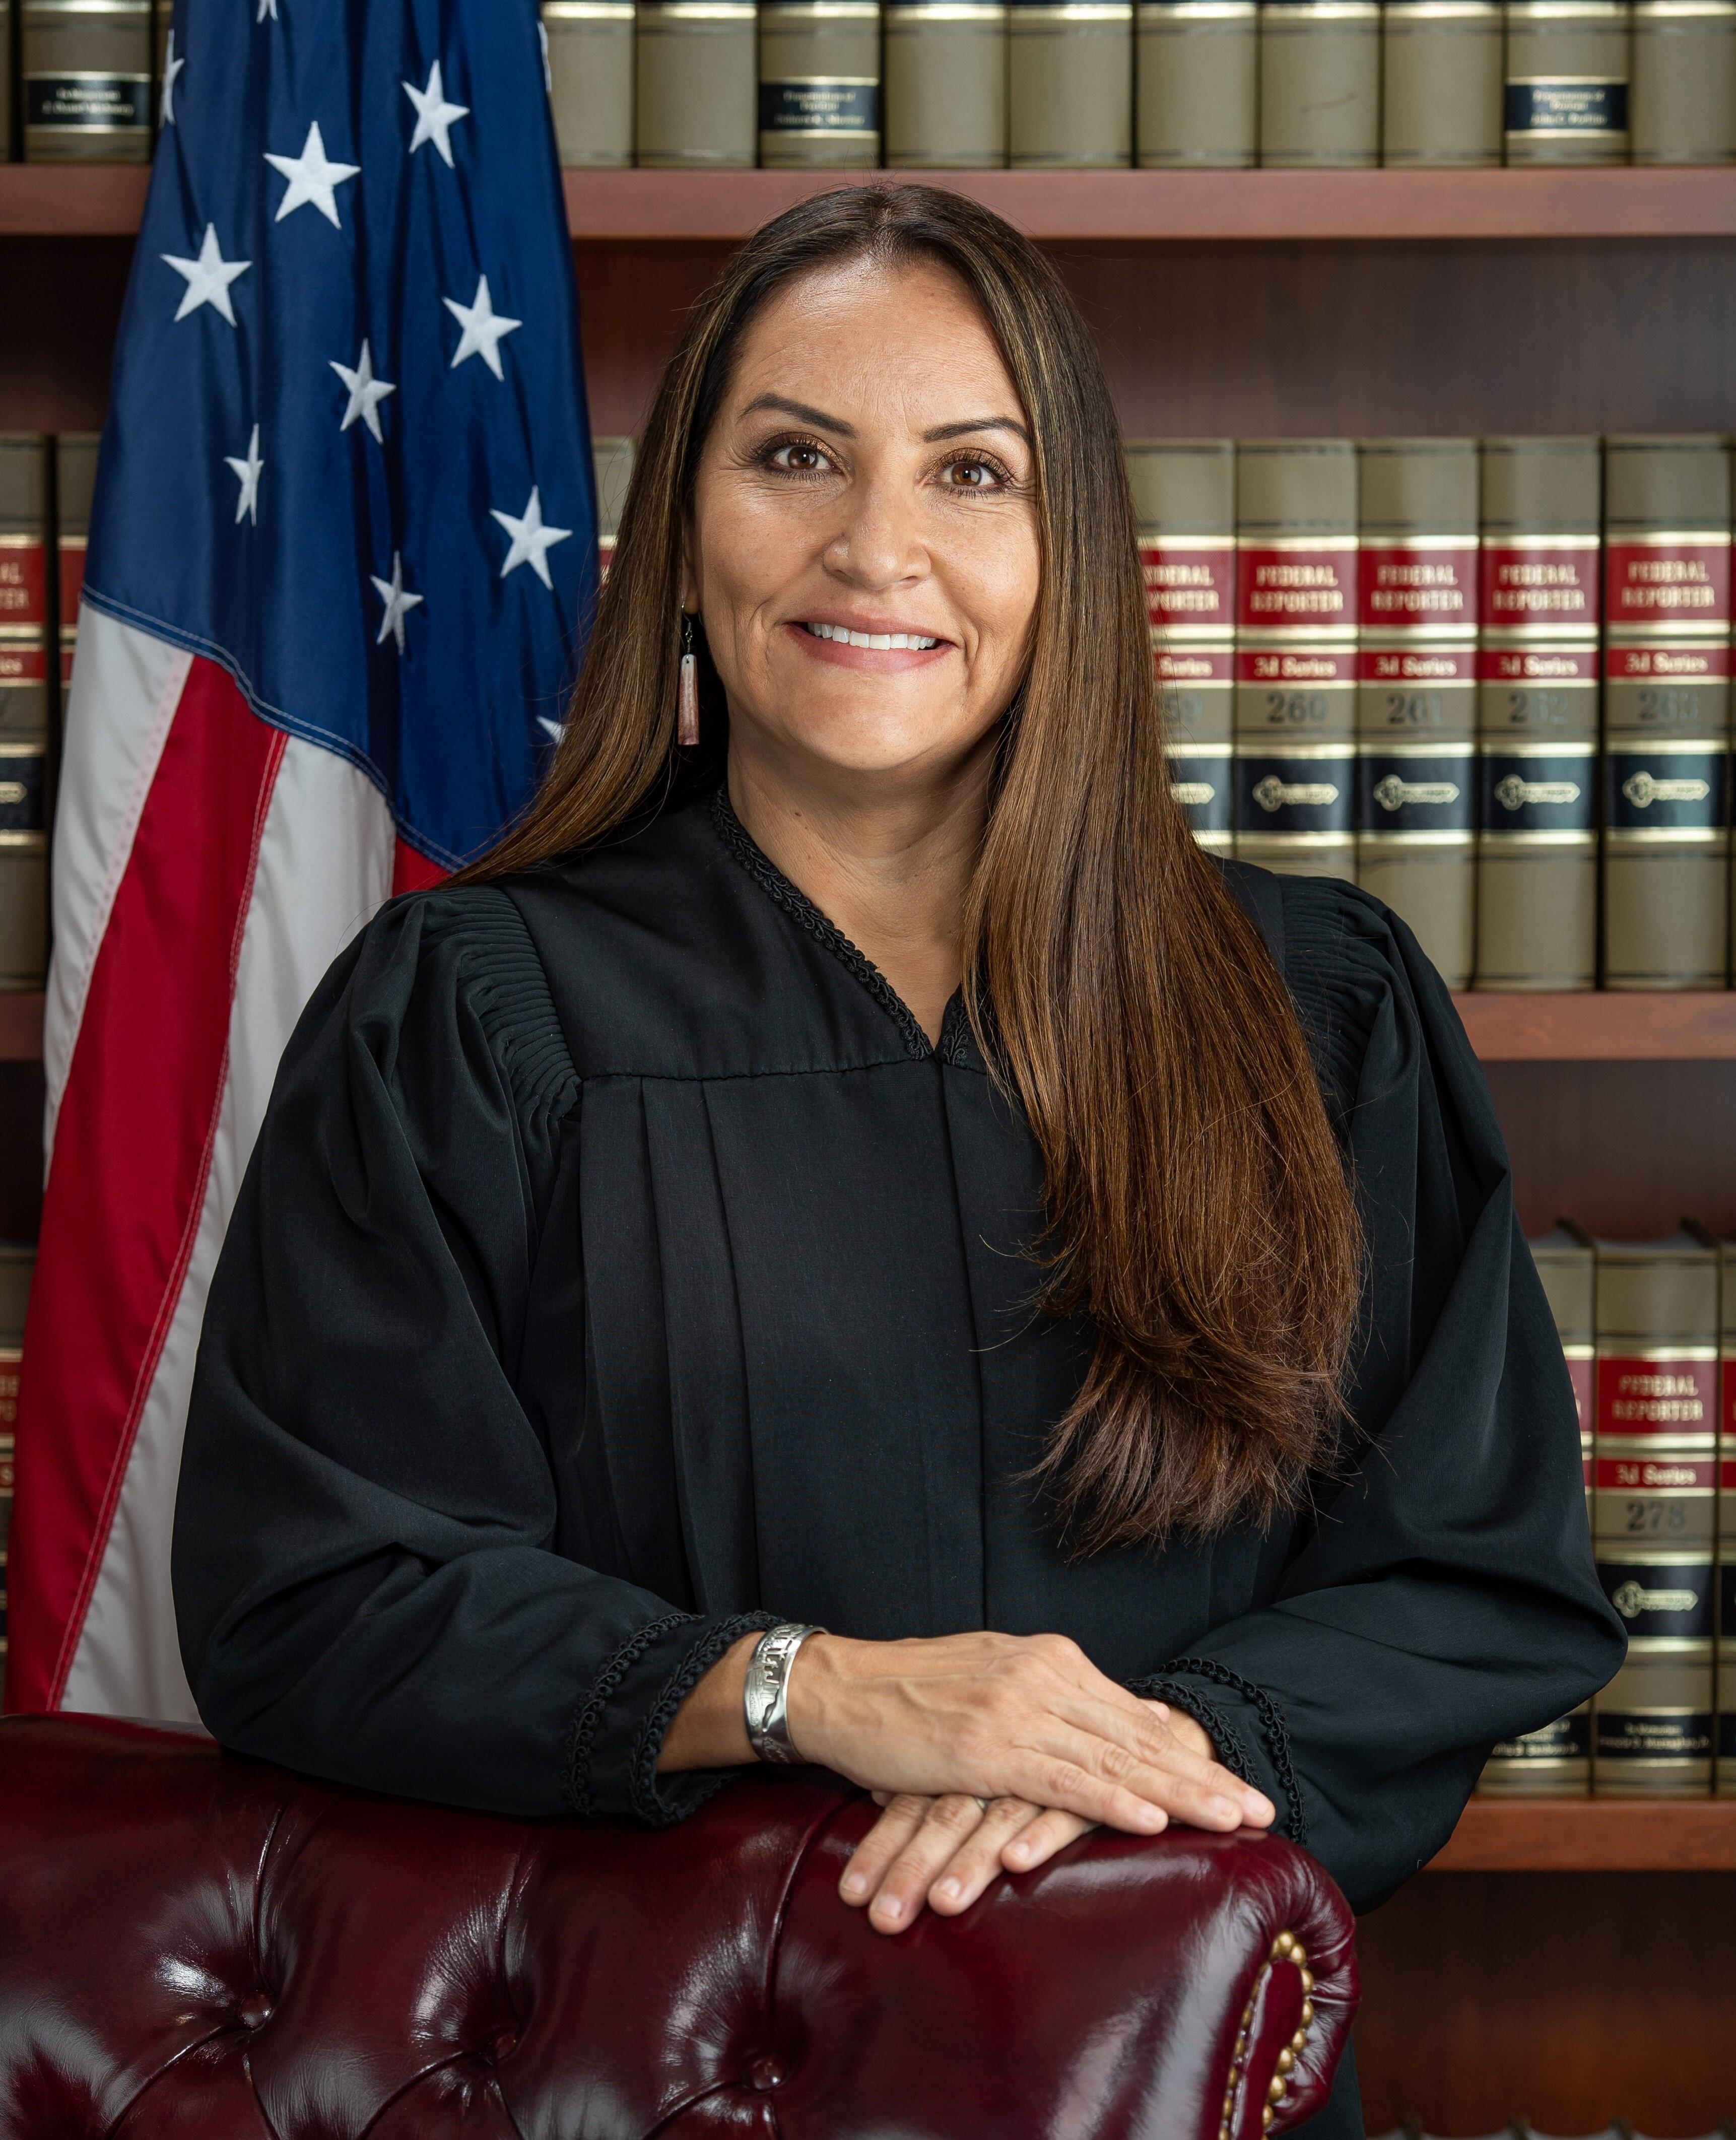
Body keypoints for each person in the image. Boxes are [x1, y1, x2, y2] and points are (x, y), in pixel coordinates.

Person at [172, 185, 1624, 2138]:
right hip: (649, 2062)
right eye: (793, 458)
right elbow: (321, 1600)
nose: (878, 549)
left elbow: (1471, 1573)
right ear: (681, 534)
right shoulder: (474, 1012)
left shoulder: (1316, 1005)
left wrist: (1103, 1759)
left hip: (1167, 2048)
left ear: (1069, 554)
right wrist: (807, 1690)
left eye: (972, 473)